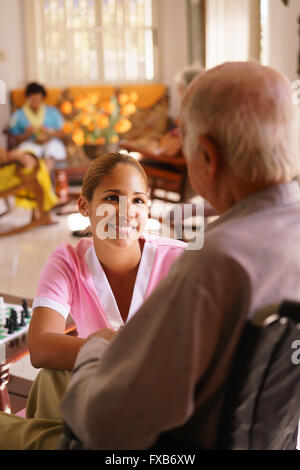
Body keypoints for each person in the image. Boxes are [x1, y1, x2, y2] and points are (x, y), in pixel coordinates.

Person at [1, 60, 300, 450]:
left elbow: (106, 422)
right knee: (50, 380)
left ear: (206, 157)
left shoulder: (211, 260)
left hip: (159, 449)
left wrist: (101, 344)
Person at [27, 152, 186, 371]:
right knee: (49, 379)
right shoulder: (68, 262)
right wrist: (124, 351)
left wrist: (103, 349)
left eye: (138, 200)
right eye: (112, 198)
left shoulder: (181, 260)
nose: (127, 212)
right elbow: (41, 347)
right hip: (98, 397)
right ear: (84, 206)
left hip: (169, 396)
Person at [9, 82, 66, 167]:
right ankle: (33, 176)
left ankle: (46, 175)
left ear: (42, 99)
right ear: (27, 98)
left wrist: (49, 132)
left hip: (50, 142)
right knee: (26, 155)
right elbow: (14, 139)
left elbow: (63, 133)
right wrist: (27, 134)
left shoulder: (53, 112)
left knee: (53, 151)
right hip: (30, 143)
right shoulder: (18, 115)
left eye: (38, 100)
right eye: (32, 100)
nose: (36, 103)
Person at [0, 147, 58, 224]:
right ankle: (44, 213)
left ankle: (40, 213)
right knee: (36, 170)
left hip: (9, 172)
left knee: (36, 167)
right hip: (5, 178)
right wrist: (13, 156)